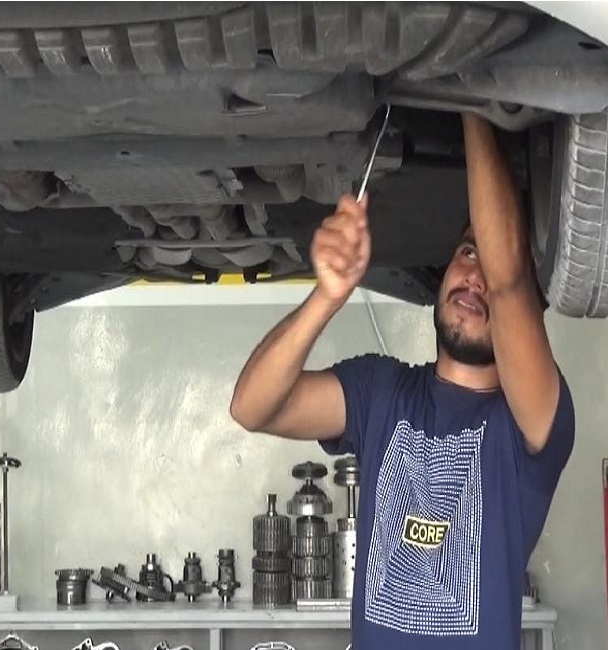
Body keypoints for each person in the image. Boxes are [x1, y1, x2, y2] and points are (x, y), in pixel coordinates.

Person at [229, 113, 574, 649]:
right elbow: (251, 408)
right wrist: (327, 296)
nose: (477, 277)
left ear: (530, 308)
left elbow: (507, 278)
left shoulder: (532, 420)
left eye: (494, 262)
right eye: (467, 252)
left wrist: (469, 99)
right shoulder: (380, 390)